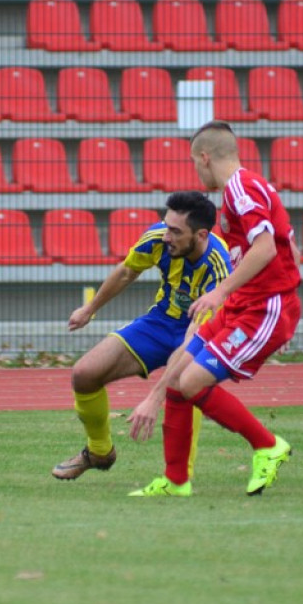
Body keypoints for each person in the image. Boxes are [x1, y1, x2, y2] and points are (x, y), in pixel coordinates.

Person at [127, 120, 303, 497]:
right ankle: (176, 481)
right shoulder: (245, 189)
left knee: (191, 382)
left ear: (204, 158)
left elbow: (268, 248)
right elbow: (289, 244)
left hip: (261, 307)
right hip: (251, 303)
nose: (196, 170)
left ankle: (268, 445)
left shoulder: (241, 188)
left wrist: (224, 293)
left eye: (195, 163)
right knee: (177, 374)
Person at [52, 191, 233, 481]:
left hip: (199, 332)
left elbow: (192, 339)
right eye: (166, 226)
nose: (166, 236)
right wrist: (90, 309)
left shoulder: (219, 267)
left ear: (200, 235)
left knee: (185, 384)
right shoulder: (158, 238)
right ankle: (99, 451)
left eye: (175, 231)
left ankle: (178, 478)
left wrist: (154, 397)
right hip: (160, 322)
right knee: (85, 373)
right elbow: (126, 271)